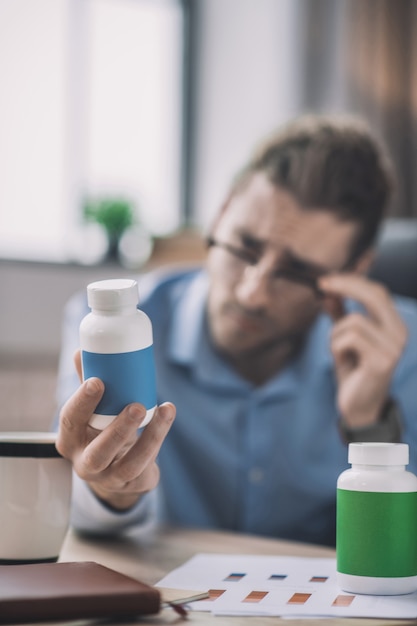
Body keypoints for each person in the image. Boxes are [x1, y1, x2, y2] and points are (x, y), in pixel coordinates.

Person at [55, 114, 417, 546]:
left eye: (297, 273)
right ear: (222, 212)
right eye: (245, 248)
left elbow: (397, 552)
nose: (253, 292)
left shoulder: (398, 348)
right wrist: (108, 490)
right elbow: (83, 515)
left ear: (354, 271)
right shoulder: (117, 331)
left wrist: (371, 427)